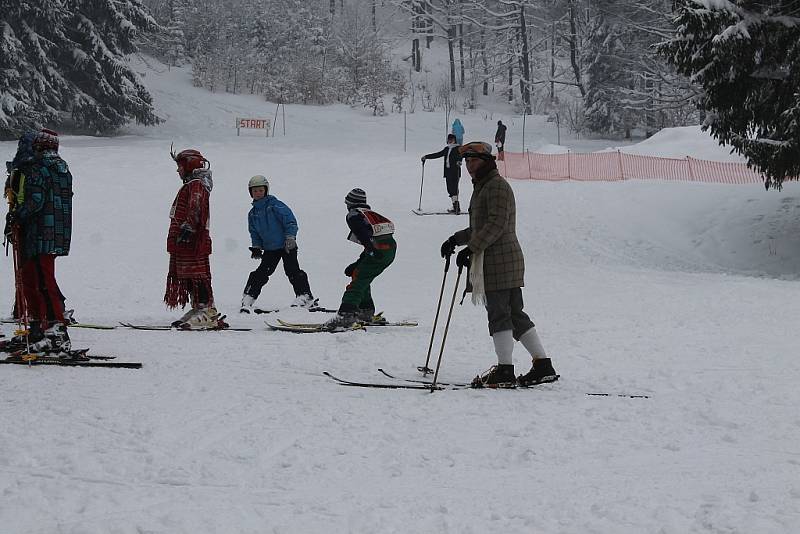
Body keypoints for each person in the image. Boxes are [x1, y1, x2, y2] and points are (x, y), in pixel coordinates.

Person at [440, 141, 558, 388]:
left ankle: (505, 370)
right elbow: (478, 226)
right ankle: (543, 365)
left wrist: (471, 248)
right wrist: (456, 239)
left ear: (486, 161)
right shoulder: (483, 187)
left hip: (500, 260)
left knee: (500, 314)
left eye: (473, 160)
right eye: (467, 161)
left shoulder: (496, 186)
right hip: (497, 259)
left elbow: (496, 225)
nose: (469, 166)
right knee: (514, 315)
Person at [3, 129, 73, 353]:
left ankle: (54, 330)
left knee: (38, 280)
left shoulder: (39, 168)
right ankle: (41, 329)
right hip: (57, 233)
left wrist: (17, 215)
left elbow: (35, 200)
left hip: (38, 232)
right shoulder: (62, 168)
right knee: (43, 279)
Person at [164, 146, 225, 329]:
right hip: (184, 240)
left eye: (180, 166)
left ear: (189, 165)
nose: (178, 170)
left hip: (191, 239)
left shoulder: (196, 185)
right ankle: (198, 306)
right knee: (188, 274)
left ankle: (207, 309)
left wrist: (189, 226)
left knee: (197, 274)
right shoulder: (191, 184)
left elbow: (195, 205)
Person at [240, 175, 317, 313]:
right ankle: (248, 298)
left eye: (260, 190)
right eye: (255, 191)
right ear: (250, 192)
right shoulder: (253, 214)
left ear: (266, 190)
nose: (258, 193)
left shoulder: (275, 205)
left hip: (287, 245)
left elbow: (290, 221)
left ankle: (305, 296)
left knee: (292, 270)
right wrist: (256, 247)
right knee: (261, 272)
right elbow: (254, 232)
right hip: (270, 249)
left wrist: (290, 237)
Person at [325, 188, 396, 330]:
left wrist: (370, 250)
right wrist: (358, 263)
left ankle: (345, 315)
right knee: (361, 275)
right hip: (388, 249)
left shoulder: (354, 215)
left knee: (358, 280)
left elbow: (364, 235)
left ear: (350, 203)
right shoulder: (368, 214)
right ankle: (365, 311)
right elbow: (373, 239)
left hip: (378, 250)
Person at [421, 134, 463, 214]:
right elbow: (438, 154)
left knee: (454, 189)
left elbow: (461, 155)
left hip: (455, 171)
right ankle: (455, 206)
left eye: (452, 139)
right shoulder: (446, 149)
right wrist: (426, 157)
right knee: (450, 189)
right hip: (448, 172)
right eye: (449, 139)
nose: (450, 141)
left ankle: (457, 207)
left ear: (455, 140)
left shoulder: (458, 148)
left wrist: (459, 161)